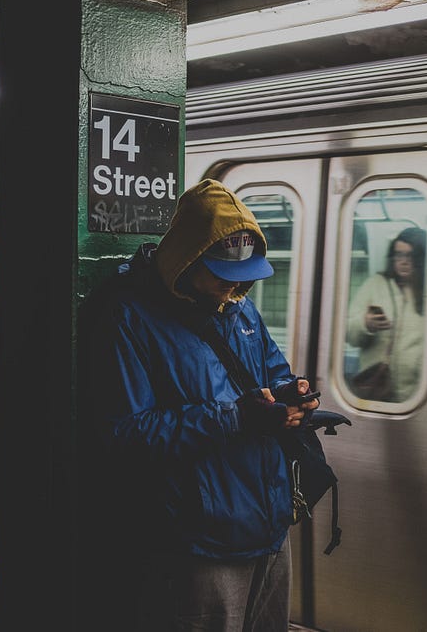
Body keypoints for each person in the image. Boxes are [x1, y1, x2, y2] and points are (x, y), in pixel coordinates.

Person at [82, 178, 320, 631]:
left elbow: (272, 375)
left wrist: (292, 392)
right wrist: (236, 416)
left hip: (268, 525)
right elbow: (126, 433)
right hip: (200, 539)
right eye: (223, 275)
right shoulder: (129, 318)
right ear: (185, 261)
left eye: (244, 275)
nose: (236, 287)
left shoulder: (240, 309)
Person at [346, 226, 427, 401]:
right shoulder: (375, 285)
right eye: (399, 255)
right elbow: (348, 332)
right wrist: (365, 323)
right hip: (376, 386)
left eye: (410, 255)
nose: (403, 261)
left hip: (415, 394)